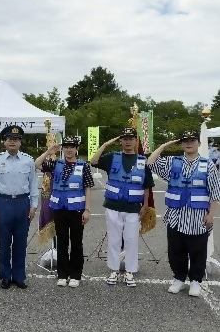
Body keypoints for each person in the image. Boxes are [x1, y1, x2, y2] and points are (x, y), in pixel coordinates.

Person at [147, 130, 220, 297]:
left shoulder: (207, 164)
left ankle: (195, 281)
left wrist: (211, 215)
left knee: (197, 252)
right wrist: (166, 145)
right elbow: (151, 163)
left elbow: (215, 193)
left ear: (198, 144)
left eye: (192, 140)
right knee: (176, 251)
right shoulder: (173, 162)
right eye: (185, 140)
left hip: (198, 218)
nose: (189, 143)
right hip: (175, 217)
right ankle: (178, 277)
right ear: (181, 144)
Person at [90, 127, 154, 287]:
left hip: (133, 208)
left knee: (131, 240)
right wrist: (105, 144)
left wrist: (146, 205)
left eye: (131, 138)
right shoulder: (112, 157)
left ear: (135, 141)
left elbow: (147, 186)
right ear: (120, 141)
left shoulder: (142, 161)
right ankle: (113, 270)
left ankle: (130, 272)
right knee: (114, 239)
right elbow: (93, 161)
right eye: (124, 138)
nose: (127, 141)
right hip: (113, 206)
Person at [35, 136, 94, 288]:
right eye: (66, 147)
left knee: (76, 242)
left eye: (72, 147)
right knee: (61, 241)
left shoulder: (84, 165)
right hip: (58, 208)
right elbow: (37, 164)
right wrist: (49, 151)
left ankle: (75, 274)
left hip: (77, 209)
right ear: (62, 149)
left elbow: (88, 187)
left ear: (76, 149)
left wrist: (87, 209)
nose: (69, 149)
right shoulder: (56, 164)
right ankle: (62, 274)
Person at [0, 125, 39, 289]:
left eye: (16, 140)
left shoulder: (28, 161)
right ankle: (5, 276)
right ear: (5, 142)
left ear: (20, 142)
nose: (12, 142)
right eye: (9, 139)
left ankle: (19, 276)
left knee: (21, 242)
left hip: (23, 203)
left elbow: (33, 185)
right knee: (4, 242)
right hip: (3, 203)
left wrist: (33, 205)